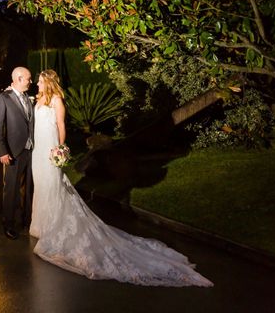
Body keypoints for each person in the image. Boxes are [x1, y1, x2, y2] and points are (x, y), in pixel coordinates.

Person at [29, 69, 213, 287]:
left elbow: (61, 126)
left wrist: (59, 150)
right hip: (37, 150)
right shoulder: (39, 99)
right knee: (41, 184)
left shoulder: (57, 100)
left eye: (40, 81)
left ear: (48, 82)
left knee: (53, 185)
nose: (37, 84)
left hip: (50, 149)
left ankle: (53, 225)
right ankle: (39, 223)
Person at [0, 66, 35, 240]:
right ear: (19, 78)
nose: (30, 82)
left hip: (30, 150)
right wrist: (2, 151)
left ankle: (26, 221)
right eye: (28, 79)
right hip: (12, 152)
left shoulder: (28, 98)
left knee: (28, 189)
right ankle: (8, 224)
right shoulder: (4, 98)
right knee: (11, 189)